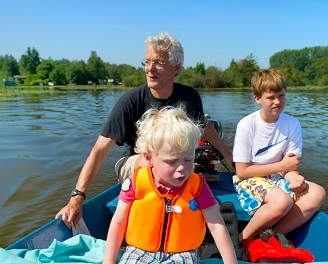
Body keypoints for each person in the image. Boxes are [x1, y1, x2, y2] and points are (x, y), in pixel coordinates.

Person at [88, 106, 255, 264]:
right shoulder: (137, 180)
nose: (182, 170)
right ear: (149, 158)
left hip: (182, 254)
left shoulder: (197, 185)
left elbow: (217, 226)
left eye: (188, 159)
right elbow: (118, 222)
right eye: (171, 161)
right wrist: (109, 261)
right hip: (139, 250)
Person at [56, 32, 233, 228]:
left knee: (185, 161)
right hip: (135, 162)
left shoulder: (189, 96)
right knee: (152, 161)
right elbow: (99, 150)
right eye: (147, 62)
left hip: (169, 164)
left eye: (158, 62)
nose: (150, 69)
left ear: (176, 68)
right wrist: (77, 196)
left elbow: (204, 126)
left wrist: (228, 156)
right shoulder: (130, 101)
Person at [232, 69, 326, 241]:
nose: (277, 102)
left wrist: (295, 180)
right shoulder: (247, 125)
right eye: (271, 97)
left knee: (317, 193)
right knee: (282, 201)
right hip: (249, 178)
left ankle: (272, 235)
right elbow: (242, 171)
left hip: (277, 178)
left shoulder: (292, 124)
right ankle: (242, 238)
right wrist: (282, 167)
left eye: (281, 96)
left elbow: (290, 168)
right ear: (257, 99)